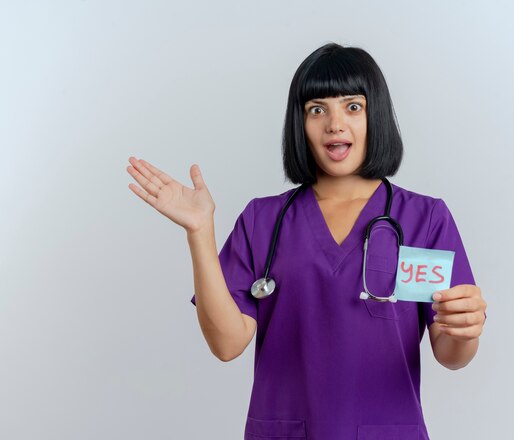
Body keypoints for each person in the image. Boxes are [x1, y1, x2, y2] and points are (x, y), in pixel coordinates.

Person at [126, 42, 487, 440]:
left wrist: (462, 330)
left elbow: (450, 354)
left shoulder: (424, 219)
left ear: (375, 115)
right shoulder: (263, 220)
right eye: (317, 109)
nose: (334, 123)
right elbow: (227, 344)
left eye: (353, 106)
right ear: (300, 123)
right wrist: (199, 232)